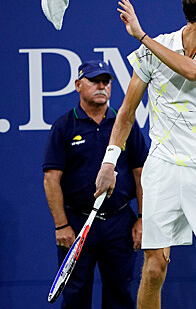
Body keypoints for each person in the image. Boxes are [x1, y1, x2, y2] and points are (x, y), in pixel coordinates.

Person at [94, 0, 196, 309]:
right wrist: (109, 161)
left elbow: (192, 71)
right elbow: (126, 112)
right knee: (153, 269)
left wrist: (142, 37)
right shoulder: (155, 49)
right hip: (163, 169)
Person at [43, 60, 148, 309]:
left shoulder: (125, 124)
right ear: (79, 85)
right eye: (94, 81)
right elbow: (51, 179)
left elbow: (141, 173)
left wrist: (143, 218)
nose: (101, 86)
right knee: (75, 297)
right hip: (77, 223)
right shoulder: (64, 127)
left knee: (120, 295)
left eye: (106, 82)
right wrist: (61, 226)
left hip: (119, 222)